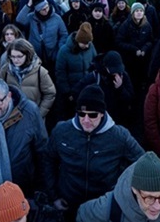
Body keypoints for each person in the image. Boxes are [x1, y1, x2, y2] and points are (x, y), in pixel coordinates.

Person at [45, 85, 144, 221]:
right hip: (68, 204)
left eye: (92, 115)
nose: (86, 120)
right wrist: (54, 196)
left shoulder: (119, 136)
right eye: (81, 113)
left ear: (102, 113)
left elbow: (143, 162)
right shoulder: (61, 131)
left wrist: (122, 194)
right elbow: (48, 161)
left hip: (102, 207)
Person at [0, 78, 48, 196]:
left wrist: (42, 189)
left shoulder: (29, 112)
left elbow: (42, 151)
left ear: (9, 96)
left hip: (25, 189)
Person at [76, 151, 160, 222]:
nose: (158, 206)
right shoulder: (107, 208)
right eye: (149, 198)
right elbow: (82, 214)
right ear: (135, 190)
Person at [0, 38, 56, 118]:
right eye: (13, 56)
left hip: (32, 117)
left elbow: (50, 94)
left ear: (28, 55)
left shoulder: (40, 71)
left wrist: (39, 113)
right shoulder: (5, 70)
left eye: (19, 56)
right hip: (10, 117)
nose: (15, 60)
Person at [16, 0, 68, 72]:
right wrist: (28, 5)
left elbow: (64, 34)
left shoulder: (57, 18)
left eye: (47, 7)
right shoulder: (31, 17)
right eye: (43, 9)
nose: (46, 10)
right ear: (37, 10)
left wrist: (59, 49)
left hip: (52, 55)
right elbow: (19, 20)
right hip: (35, 56)